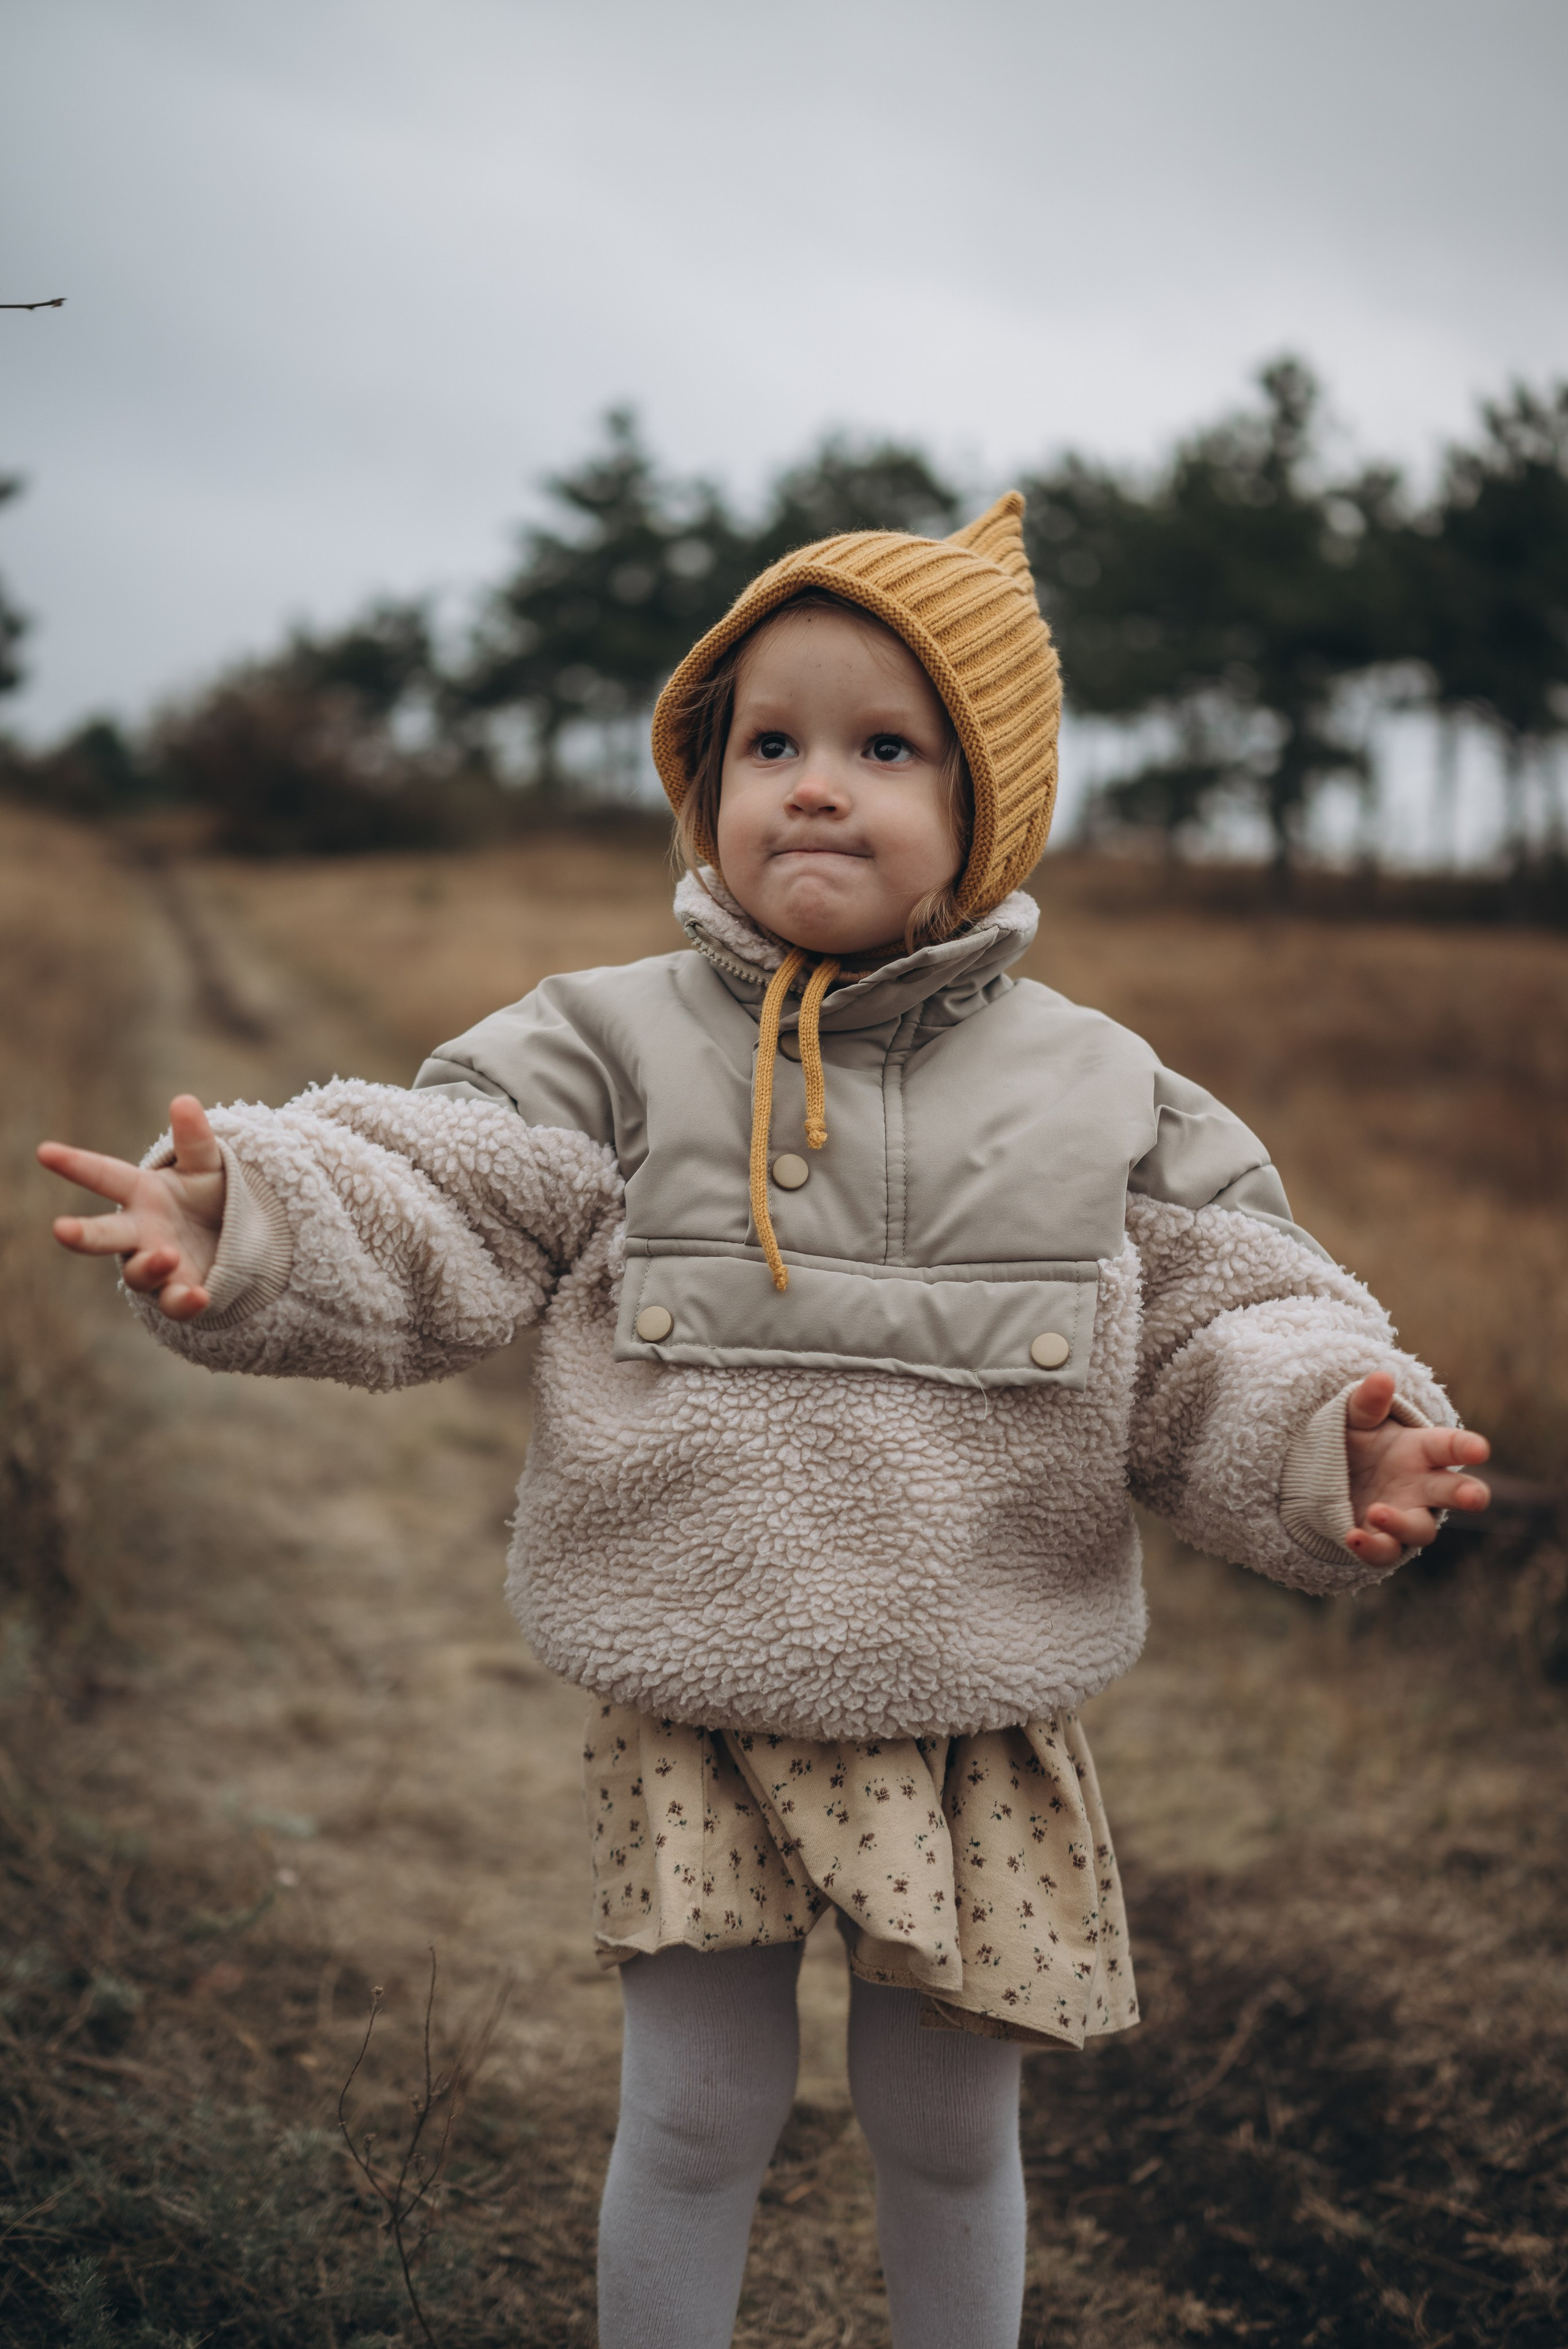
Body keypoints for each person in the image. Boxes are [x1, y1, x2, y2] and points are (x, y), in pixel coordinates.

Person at [39, 496, 1490, 2349]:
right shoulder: (609, 1040)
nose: (816, 786)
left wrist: (1335, 1436)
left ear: (985, 812)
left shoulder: (1105, 1089)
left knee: (949, 2123)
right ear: (704, 781)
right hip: (695, 1687)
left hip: (972, 1704)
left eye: (886, 748)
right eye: (770, 744)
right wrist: (256, 1215)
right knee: (698, 2109)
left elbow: (1240, 1322)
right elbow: (440, 1185)